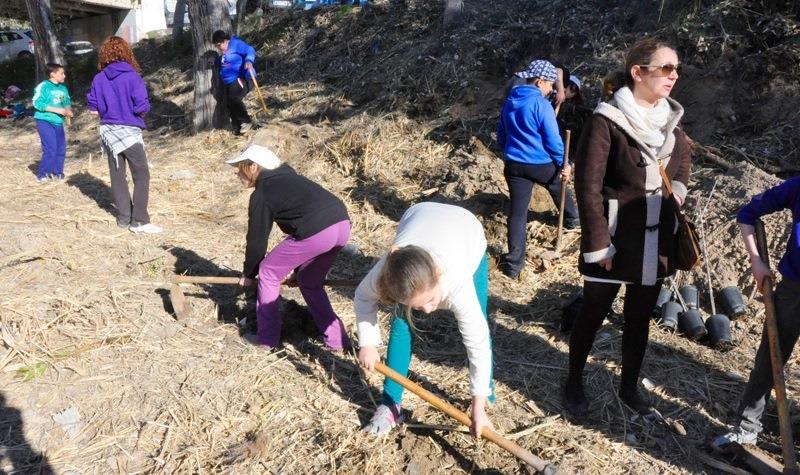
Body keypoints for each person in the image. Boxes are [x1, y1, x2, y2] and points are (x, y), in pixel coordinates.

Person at [564, 38, 691, 416]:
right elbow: (587, 187)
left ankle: (629, 388)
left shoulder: (673, 121)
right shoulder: (606, 121)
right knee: (593, 311)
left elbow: (682, 163)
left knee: (639, 319)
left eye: (676, 69)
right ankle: (573, 382)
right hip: (614, 239)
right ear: (638, 72)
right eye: (665, 68)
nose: (674, 76)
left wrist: (678, 191)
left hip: (656, 240)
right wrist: (598, 243)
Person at [355, 202, 495, 437]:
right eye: (419, 305)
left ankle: (485, 391)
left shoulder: (457, 283)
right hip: (419, 215)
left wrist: (476, 408)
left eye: (431, 300)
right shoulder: (388, 273)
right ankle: (390, 405)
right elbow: (362, 297)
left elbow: (477, 344)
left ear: (439, 277)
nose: (429, 310)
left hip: (466, 229)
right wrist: (367, 343)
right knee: (401, 323)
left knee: (478, 323)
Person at [230, 144, 351, 351]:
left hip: (319, 229)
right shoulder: (289, 180)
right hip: (341, 224)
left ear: (253, 167)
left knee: (268, 272)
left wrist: (250, 273)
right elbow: (299, 230)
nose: (236, 172)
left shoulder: (263, 192)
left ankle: (266, 339)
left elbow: (257, 239)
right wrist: (298, 270)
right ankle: (337, 341)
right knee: (309, 281)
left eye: (239, 167)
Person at [711, 177, 800, 449]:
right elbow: (747, 214)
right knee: (771, 356)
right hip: (794, 289)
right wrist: (756, 260)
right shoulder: (797, 186)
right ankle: (747, 426)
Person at [496, 59, 580, 280]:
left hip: (513, 165)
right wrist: (564, 163)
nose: (552, 89)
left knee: (517, 214)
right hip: (538, 163)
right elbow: (553, 139)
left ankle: (514, 265)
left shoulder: (510, 101)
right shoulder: (540, 105)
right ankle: (573, 219)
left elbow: (501, 136)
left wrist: (512, 151)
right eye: (550, 84)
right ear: (540, 81)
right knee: (557, 183)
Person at [87, 36, 161, 234]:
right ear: (125, 52)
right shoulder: (132, 76)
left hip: (109, 133)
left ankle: (123, 219)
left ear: (105, 54)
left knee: (117, 176)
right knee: (141, 175)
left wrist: (108, 108)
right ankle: (139, 221)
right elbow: (141, 106)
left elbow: (93, 109)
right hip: (129, 132)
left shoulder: (98, 78)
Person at [32, 63, 72, 183]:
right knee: (50, 148)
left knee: (61, 148)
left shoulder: (63, 88)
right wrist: (57, 110)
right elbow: (36, 103)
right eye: (61, 73)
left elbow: (67, 101)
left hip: (58, 122)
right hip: (45, 120)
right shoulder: (43, 86)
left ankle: (58, 172)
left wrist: (68, 110)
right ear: (52, 74)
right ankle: (43, 174)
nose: (64, 76)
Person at [212, 30, 256, 135]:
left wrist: (249, 60)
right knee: (228, 103)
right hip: (229, 82)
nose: (218, 48)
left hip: (242, 79)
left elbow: (250, 50)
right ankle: (237, 128)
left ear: (225, 41)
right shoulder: (224, 52)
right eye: (216, 46)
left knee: (234, 98)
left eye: (219, 45)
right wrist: (215, 61)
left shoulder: (236, 44)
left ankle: (246, 121)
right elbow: (224, 61)